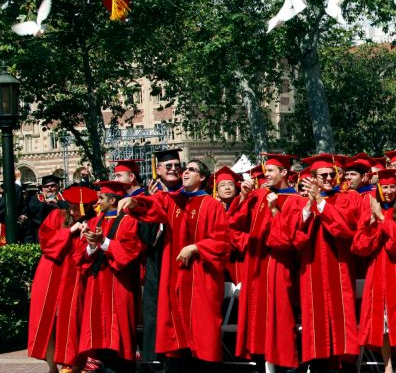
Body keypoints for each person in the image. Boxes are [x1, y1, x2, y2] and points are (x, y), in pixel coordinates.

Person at [118, 159, 230, 371]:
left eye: (192, 170)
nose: (185, 172)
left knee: (201, 330)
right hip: (177, 276)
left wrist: (195, 247)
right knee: (176, 332)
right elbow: (153, 208)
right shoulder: (173, 201)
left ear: (203, 177)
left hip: (201, 277)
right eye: (185, 169)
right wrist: (134, 203)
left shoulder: (212, 205)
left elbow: (223, 241)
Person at [275, 154, 361, 372]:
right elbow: (290, 234)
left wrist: (321, 202)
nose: (330, 178)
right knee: (315, 322)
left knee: (342, 322)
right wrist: (309, 206)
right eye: (324, 175)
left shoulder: (348, 198)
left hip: (339, 267)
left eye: (333, 174)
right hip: (311, 269)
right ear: (312, 178)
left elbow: (345, 229)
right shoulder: (301, 203)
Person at [227, 153, 301, 371]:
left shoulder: (297, 200)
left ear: (284, 173)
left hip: (281, 267)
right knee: (256, 318)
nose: (265, 175)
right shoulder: (258, 195)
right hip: (256, 266)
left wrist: (275, 211)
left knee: (281, 318)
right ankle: (260, 364)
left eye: (270, 171)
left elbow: (289, 239)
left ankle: (286, 365)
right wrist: (242, 197)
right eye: (265, 171)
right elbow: (233, 222)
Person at [351, 168, 396, 373]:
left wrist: (383, 220)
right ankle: (388, 365)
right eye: (385, 187)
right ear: (378, 189)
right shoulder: (370, 212)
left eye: (393, 186)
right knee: (382, 321)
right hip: (378, 272)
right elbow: (359, 246)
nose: (390, 190)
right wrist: (373, 224)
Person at [75, 181, 144, 373]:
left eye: (101, 198)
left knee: (118, 330)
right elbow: (80, 254)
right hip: (96, 283)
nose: (97, 202)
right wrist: (91, 245)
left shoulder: (128, 222)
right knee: (97, 329)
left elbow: (130, 252)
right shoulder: (93, 222)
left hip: (118, 283)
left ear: (113, 200)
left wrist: (104, 241)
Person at [28, 185, 97, 373]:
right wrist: (69, 231)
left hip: (73, 278)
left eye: (80, 207)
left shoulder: (92, 223)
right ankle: (52, 367)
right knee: (46, 322)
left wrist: (88, 239)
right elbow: (46, 242)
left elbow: (85, 256)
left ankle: (73, 366)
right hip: (50, 273)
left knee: (73, 322)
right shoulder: (57, 216)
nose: (75, 211)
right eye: (73, 207)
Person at [138, 148, 182, 365]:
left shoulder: (187, 194)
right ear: (159, 170)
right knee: (153, 312)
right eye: (169, 166)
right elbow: (144, 236)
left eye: (177, 165)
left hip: (179, 262)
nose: (173, 169)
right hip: (157, 261)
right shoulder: (148, 196)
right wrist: (154, 202)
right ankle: (152, 362)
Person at [24, 174, 63, 243]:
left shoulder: (63, 198)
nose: (49, 188)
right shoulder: (35, 198)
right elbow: (33, 212)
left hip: (60, 232)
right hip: (41, 233)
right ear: (42, 188)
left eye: (52, 186)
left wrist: (57, 202)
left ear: (57, 187)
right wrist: (45, 203)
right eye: (46, 186)